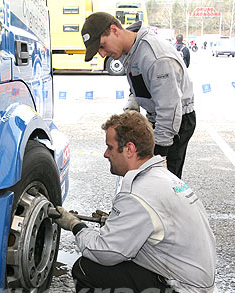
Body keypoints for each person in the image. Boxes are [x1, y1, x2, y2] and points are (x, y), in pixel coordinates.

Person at [55, 111, 216, 293]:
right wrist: (117, 223)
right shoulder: (163, 177)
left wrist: (75, 226)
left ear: (129, 149)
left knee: (88, 270)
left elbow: (106, 252)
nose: (106, 154)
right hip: (197, 289)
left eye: (110, 147)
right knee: (123, 266)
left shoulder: (137, 194)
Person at [81, 12, 196, 178]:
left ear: (114, 30)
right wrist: (132, 104)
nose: (102, 54)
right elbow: (143, 82)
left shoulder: (156, 57)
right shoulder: (131, 49)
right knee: (144, 176)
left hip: (175, 122)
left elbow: (169, 110)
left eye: (102, 46)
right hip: (156, 117)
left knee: (163, 180)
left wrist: (159, 153)